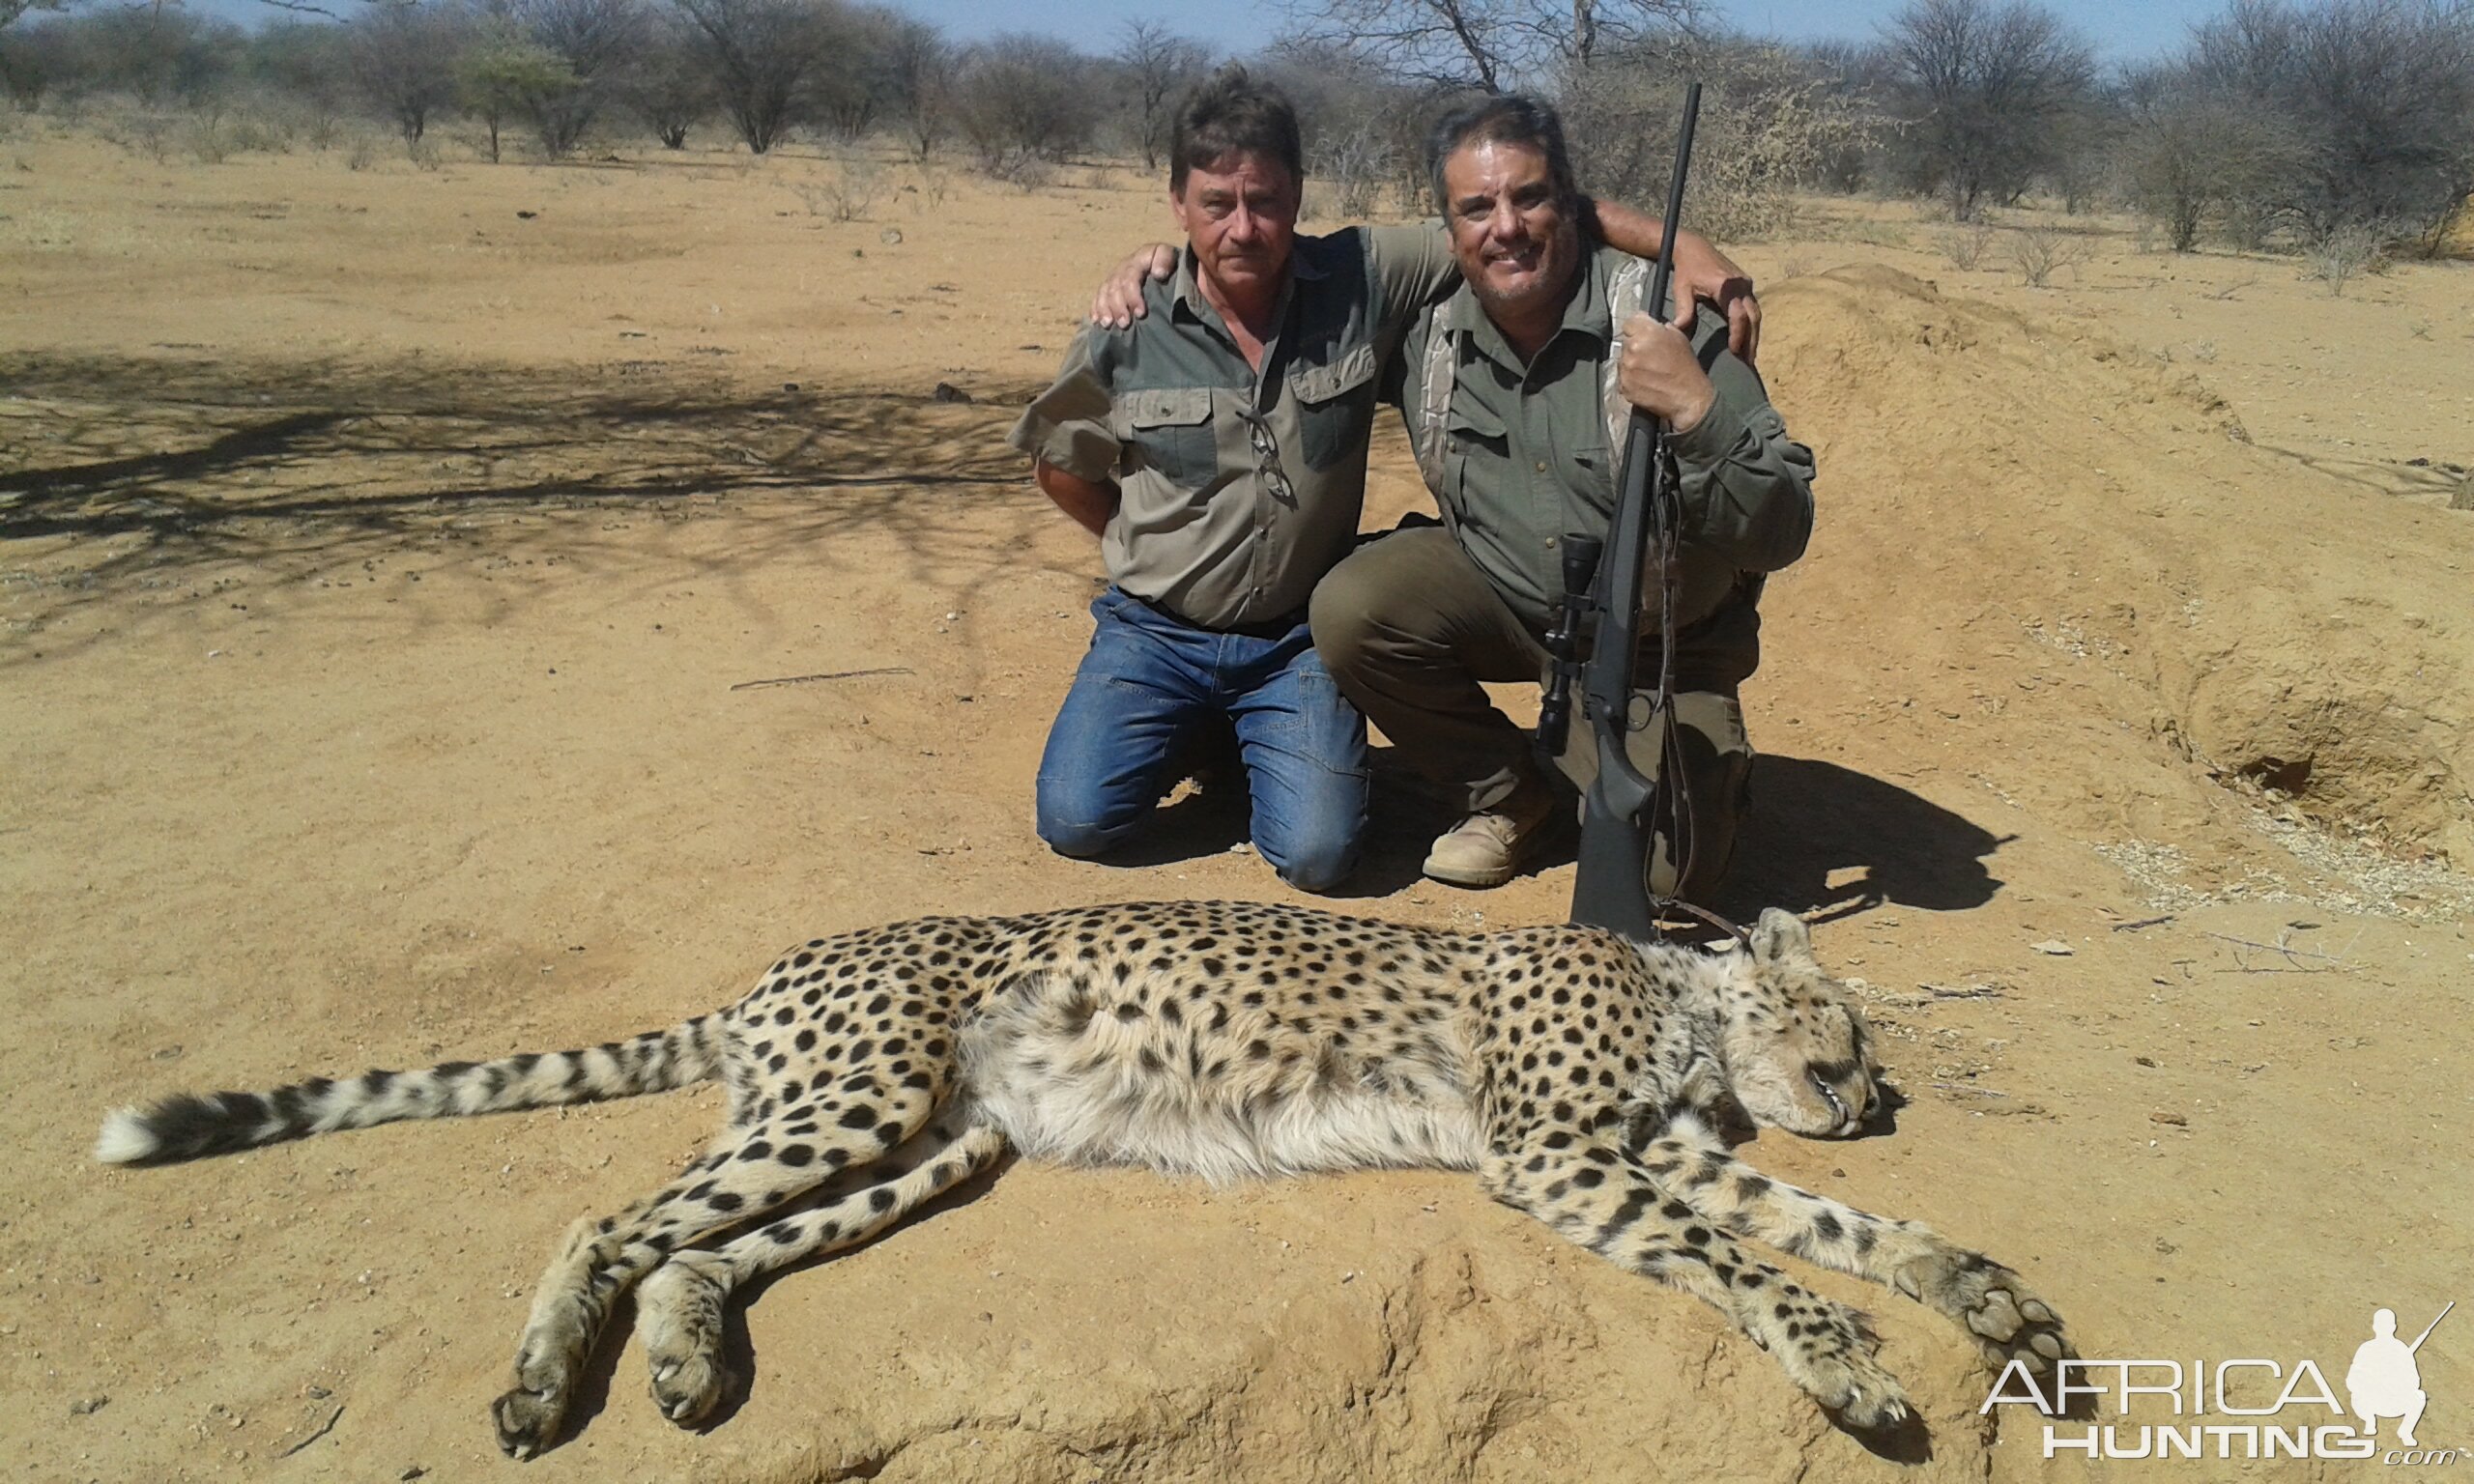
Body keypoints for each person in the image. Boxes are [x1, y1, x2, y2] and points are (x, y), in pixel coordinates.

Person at [1020, 66, 1757, 892]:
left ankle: (1504, 784)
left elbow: (1505, 221)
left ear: (1297, 197)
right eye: (1216, 205)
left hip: (1292, 639)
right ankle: (1204, 729)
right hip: (1156, 629)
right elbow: (1061, 466)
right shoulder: (1131, 317)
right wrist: (1149, 546)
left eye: (1263, 201)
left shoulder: (1365, 275)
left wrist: (1677, 243)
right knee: (1078, 821)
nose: (1241, 228)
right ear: (1177, 204)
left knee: (1318, 856)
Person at [1306, 93, 1816, 899]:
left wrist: (1696, 410)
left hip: (1659, 639)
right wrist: (1148, 275)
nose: (1504, 227)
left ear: (1571, 207)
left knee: (1671, 880)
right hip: (1510, 603)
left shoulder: (1672, 320)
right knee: (1353, 608)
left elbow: (1782, 529)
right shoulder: (1421, 327)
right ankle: (1507, 792)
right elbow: (1265, 280)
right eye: (1477, 208)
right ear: (1449, 231)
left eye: (1530, 197)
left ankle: (1630, 757)